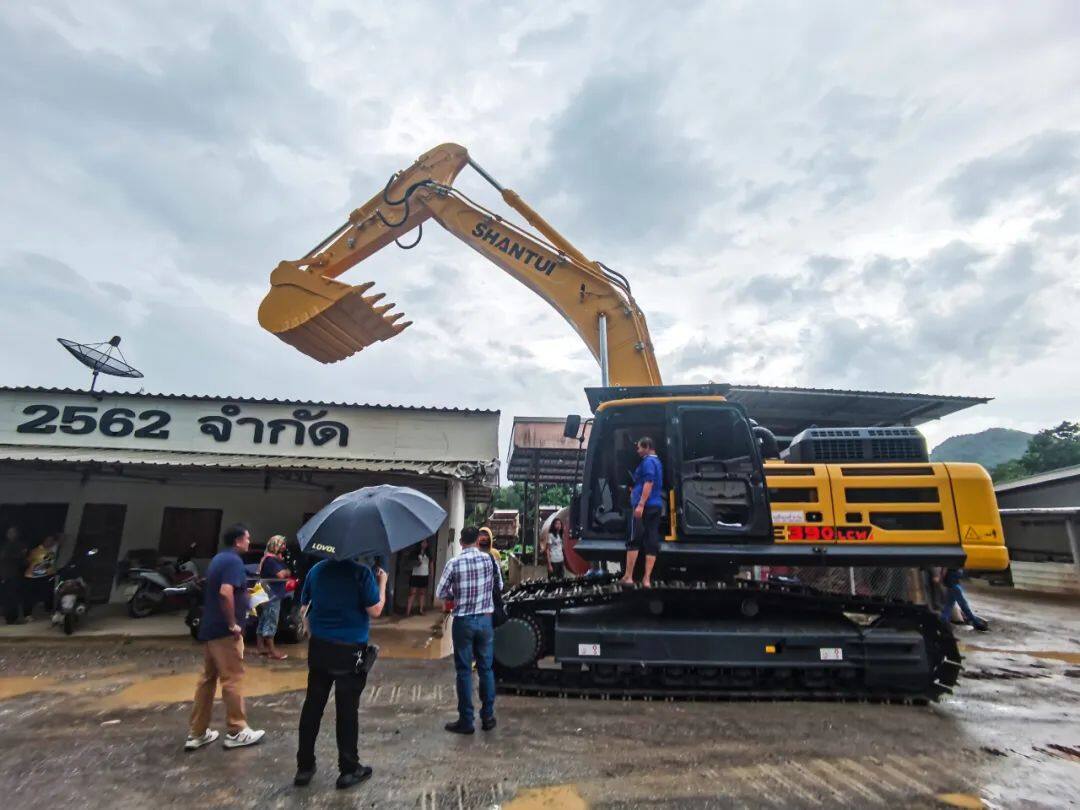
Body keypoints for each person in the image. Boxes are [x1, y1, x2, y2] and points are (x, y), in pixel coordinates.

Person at [295, 554, 387, 790]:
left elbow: (305, 607)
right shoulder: (362, 573)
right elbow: (375, 610)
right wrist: (383, 583)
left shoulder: (316, 570)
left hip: (320, 648)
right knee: (347, 710)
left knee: (313, 705)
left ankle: (304, 767)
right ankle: (348, 769)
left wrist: (311, 634)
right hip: (350, 651)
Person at [184, 523, 265, 752]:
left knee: (208, 679)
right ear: (238, 540)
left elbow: (227, 590)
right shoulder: (233, 562)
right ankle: (237, 730)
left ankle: (197, 732)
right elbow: (225, 592)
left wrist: (245, 595)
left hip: (211, 628)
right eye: (247, 538)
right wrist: (233, 624)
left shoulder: (219, 559)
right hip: (224, 631)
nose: (249, 542)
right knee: (232, 678)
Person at [436, 526, 502, 734]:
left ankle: (466, 721)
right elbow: (498, 586)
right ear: (478, 540)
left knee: (464, 671)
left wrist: (456, 593)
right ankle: (488, 716)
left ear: (462, 542)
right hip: (485, 621)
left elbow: (441, 592)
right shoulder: (490, 561)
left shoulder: (454, 563)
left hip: (463, 622)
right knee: (486, 669)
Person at [621, 436, 664, 588]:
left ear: (647, 447)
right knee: (651, 540)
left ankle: (628, 577)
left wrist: (640, 504)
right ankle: (646, 579)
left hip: (644, 506)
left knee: (634, 539)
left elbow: (649, 482)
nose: (637, 451)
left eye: (639, 447)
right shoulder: (657, 461)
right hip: (655, 505)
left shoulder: (648, 462)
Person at [256, 535, 291, 660]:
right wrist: (287, 571)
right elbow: (282, 575)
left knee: (264, 620)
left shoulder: (270, 559)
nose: (284, 547)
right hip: (272, 594)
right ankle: (272, 651)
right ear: (274, 545)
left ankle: (261, 648)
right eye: (282, 544)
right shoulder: (271, 560)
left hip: (267, 594)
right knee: (271, 621)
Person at [23, 533, 61, 619]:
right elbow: (28, 561)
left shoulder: (53, 549)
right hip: (32, 576)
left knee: (49, 594)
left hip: (47, 575)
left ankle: (50, 611)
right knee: (30, 596)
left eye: (51, 541)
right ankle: (27, 614)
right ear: (44, 541)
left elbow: (61, 541)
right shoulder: (36, 550)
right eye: (48, 540)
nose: (50, 542)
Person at [1, 526, 27, 625]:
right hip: (9, 574)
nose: (11, 534)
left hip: (12, 574)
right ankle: (11, 618)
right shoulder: (8, 546)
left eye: (13, 532)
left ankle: (11, 618)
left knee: (12, 597)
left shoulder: (15, 545)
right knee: (11, 597)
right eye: (10, 532)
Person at [406, 538, 431, 617]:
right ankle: (408, 611)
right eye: (423, 542)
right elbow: (410, 563)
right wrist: (417, 563)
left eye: (425, 542)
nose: (424, 544)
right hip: (415, 574)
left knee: (422, 593)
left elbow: (431, 564)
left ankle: (421, 609)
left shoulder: (429, 553)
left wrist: (431, 574)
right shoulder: (414, 553)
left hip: (424, 574)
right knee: (412, 593)